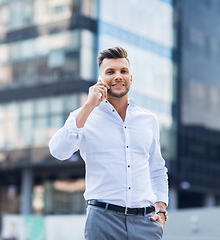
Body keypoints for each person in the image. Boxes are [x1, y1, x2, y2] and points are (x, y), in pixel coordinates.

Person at [49, 46, 169, 239]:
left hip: (146, 222)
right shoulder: (84, 116)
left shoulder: (148, 120)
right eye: (110, 72)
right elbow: (58, 150)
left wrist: (161, 209)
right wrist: (89, 105)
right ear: (100, 80)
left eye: (123, 71)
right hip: (102, 221)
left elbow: (156, 168)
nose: (118, 76)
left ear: (131, 78)